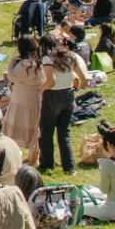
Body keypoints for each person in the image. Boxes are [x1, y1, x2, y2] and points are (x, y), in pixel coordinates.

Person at [37, 41, 87, 174]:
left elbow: (51, 81)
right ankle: (70, 167)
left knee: (46, 132)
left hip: (52, 96)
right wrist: (77, 86)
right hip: (68, 95)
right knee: (64, 133)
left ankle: (47, 164)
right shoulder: (71, 57)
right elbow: (83, 77)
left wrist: (41, 90)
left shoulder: (48, 59)